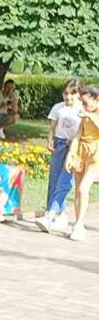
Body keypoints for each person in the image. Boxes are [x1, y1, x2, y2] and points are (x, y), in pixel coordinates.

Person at [37, 78, 84, 233]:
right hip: (60, 143)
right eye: (66, 93)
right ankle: (58, 213)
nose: (68, 97)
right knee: (54, 178)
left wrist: (76, 141)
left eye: (72, 94)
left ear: (79, 94)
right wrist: (50, 139)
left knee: (65, 180)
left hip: (75, 147)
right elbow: (52, 127)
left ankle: (52, 214)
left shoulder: (83, 109)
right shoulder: (58, 107)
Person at [62, 85, 99, 243]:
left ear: (96, 100)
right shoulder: (85, 114)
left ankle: (79, 223)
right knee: (78, 190)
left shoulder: (92, 114)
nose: (83, 106)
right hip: (81, 152)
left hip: (95, 154)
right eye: (82, 103)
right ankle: (78, 224)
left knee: (84, 187)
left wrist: (89, 116)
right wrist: (70, 154)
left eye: (86, 102)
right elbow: (78, 134)